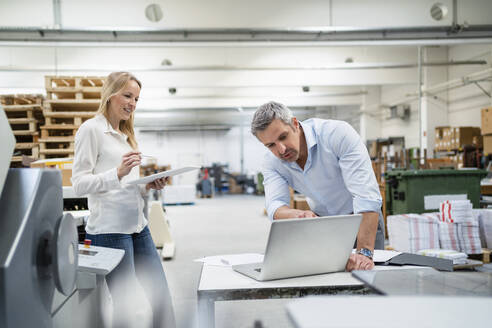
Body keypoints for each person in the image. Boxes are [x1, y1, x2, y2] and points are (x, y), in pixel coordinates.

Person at [72, 72, 176, 328]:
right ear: (110, 95)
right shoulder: (91, 130)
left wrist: (148, 187)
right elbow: (79, 184)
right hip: (110, 231)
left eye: (137, 99)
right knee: (127, 305)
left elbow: (129, 187)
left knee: (160, 295)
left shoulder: (128, 134)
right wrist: (117, 172)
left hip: (138, 227)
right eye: (128, 95)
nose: (132, 103)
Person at [251, 101, 384, 272]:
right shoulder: (271, 163)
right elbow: (275, 206)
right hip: (323, 225)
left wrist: (364, 253)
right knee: (326, 284)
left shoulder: (337, 134)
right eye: (271, 145)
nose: (281, 149)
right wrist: (299, 215)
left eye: (283, 137)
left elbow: (366, 197)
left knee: (369, 283)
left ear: (295, 124)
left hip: (362, 220)